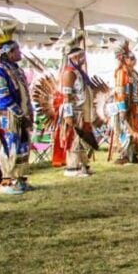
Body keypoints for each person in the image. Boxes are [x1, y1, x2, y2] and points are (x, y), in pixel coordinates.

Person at [0, 24, 34, 193]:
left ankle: (19, 179)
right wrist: (20, 115)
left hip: (20, 115)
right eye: (17, 50)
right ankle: (7, 182)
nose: (20, 53)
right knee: (10, 147)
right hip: (9, 116)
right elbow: (4, 97)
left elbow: (25, 94)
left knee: (22, 147)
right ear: (8, 53)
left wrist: (28, 113)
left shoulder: (17, 70)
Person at [53, 35, 96, 178]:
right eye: (82, 56)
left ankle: (83, 165)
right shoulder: (69, 73)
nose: (84, 59)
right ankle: (72, 167)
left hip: (82, 112)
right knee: (74, 140)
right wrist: (68, 115)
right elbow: (66, 96)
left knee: (82, 140)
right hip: (75, 112)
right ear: (75, 57)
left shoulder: (79, 73)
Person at [112, 40, 138, 165]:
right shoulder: (121, 72)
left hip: (134, 107)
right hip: (124, 107)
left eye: (134, 58)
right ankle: (125, 155)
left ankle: (134, 155)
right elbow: (119, 91)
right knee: (125, 130)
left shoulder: (134, 73)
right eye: (130, 58)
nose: (133, 60)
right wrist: (122, 109)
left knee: (135, 129)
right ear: (124, 59)